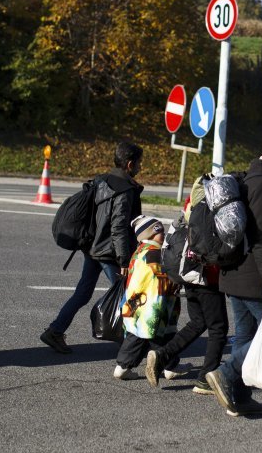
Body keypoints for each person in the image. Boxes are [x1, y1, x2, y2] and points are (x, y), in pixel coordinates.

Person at [205, 130, 262, 417]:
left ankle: (239, 397)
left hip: (235, 273)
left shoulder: (251, 178)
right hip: (255, 276)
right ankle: (226, 374)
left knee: (245, 337)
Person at [40, 141, 144, 354]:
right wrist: (124, 260)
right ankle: (130, 344)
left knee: (83, 293)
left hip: (92, 247)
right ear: (130, 164)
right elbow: (119, 227)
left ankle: (55, 331)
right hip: (109, 252)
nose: (141, 167)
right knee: (127, 294)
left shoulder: (101, 180)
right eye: (140, 163)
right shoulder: (124, 190)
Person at [144, 212, 229, 393]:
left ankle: (162, 355)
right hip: (206, 275)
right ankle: (205, 379)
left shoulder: (193, 202)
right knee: (218, 328)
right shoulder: (215, 203)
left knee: (198, 322)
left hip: (187, 270)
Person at [113, 215, 189, 380]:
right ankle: (169, 366)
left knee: (138, 335)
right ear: (148, 235)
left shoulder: (140, 251)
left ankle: (123, 366)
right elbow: (165, 273)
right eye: (159, 232)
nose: (163, 235)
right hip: (155, 303)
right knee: (160, 335)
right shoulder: (154, 253)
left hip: (139, 303)